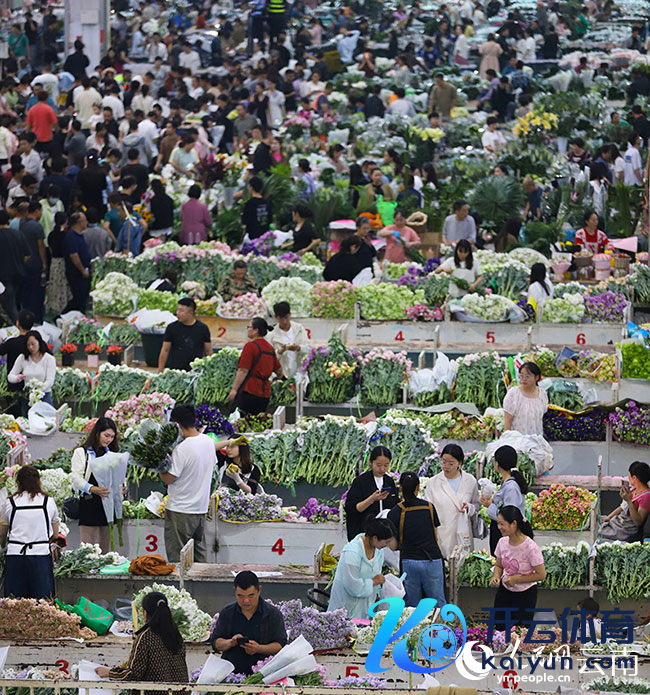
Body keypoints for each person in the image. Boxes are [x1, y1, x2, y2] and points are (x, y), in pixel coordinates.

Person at [160, 405, 217, 563]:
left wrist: (159, 465)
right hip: (200, 509)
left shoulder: (182, 449)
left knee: (179, 559)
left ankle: (181, 589)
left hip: (181, 510)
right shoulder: (208, 441)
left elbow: (168, 478)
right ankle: (202, 587)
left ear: (177, 425)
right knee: (199, 559)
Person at [96, 591, 188, 688]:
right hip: (180, 691)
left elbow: (133, 675)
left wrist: (109, 673)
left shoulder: (146, 637)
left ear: (145, 613)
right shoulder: (176, 635)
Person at [210, 570, 287, 675]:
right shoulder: (227, 613)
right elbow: (216, 642)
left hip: (264, 674)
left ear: (259, 590)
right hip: (231, 674)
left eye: (251, 595)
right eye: (240, 596)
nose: (246, 601)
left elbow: (280, 645)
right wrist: (230, 642)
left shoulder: (272, 614)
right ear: (235, 591)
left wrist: (259, 648)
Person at [0, 465, 59, 599]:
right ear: (38, 481)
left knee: (15, 603)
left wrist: (3, 546)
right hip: (40, 555)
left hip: (15, 555)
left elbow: (1, 533)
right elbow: (55, 534)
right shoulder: (48, 502)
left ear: (18, 483)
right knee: (42, 603)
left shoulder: (10, 502)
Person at [388, 471, 445, 608]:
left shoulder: (395, 512)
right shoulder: (429, 507)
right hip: (432, 560)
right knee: (437, 604)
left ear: (400, 487)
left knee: (411, 606)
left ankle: (413, 629)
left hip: (409, 561)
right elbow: (435, 535)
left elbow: (393, 545)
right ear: (418, 487)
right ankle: (440, 628)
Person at [70, 417, 124, 553]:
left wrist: (122, 488)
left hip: (108, 504)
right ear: (97, 433)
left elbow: (120, 477)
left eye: (112, 437)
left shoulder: (113, 454)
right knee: (87, 548)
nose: (109, 440)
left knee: (106, 548)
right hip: (89, 503)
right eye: (106, 435)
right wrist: (93, 489)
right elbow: (76, 477)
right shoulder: (81, 453)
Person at [328, 518, 396, 619]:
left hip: (364, 608)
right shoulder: (352, 552)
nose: (387, 545)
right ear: (375, 538)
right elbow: (352, 585)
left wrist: (376, 593)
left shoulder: (378, 551)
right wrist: (373, 582)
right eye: (386, 542)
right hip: (346, 606)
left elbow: (376, 574)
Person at [490, 506, 546, 629]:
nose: (499, 527)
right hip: (505, 592)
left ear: (514, 523)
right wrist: (496, 576)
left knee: (521, 633)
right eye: (498, 524)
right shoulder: (502, 542)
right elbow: (499, 564)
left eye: (502, 524)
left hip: (525, 595)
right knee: (499, 628)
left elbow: (541, 575)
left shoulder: (530, 547)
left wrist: (516, 579)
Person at [424, 444, 480, 559]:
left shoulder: (470, 481)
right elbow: (428, 512)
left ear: (460, 463)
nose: (446, 467)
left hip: (463, 534)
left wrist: (469, 508)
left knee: (463, 568)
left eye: (451, 463)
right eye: (443, 462)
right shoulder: (432, 483)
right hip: (442, 533)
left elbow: (476, 504)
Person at [228, 318, 282, 416]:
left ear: (256, 330)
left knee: (243, 423)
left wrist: (234, 389)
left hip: (250, 391)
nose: (248, 329)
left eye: (249, 327)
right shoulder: (270, 348)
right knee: (259, 422)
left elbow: (243, 370)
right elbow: (279, 370)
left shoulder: (250, 346)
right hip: (264, 394)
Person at [344, 446, 399, 542]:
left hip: (385, 534)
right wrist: (372, 499)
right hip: (364, 532)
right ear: (370, 462)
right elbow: (352, 508)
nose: (382, 469)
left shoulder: (389, 481)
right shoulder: (361, 481)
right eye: (378, 465)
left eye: (386, 465)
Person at [480, 445, 528, 555]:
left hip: (506, 532)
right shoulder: (507, 483)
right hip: (501, 529)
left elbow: (509, 515)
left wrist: (490, 505)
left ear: (497, 464)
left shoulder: (511, 487)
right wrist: (493, 503)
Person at [158, 297, 212, 372]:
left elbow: (208, 351)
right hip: (176, 371)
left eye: (181, 311)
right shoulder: (172, 328)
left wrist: (210, 371)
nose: (177, 313)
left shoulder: (203, 328)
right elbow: (165, 350)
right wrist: (160, 371)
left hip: (195, 371)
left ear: (190, 312)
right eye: (177, 310)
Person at [8, 330, 56, 414]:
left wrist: (39, 391)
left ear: (39, 342)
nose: (30, 347)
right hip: (27, 398)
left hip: (44, 397)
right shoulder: (23, 358)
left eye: (33, 344)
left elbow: (50, 380)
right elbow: (10, 376)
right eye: (28, 345)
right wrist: (17, 378)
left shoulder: (49, 359)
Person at [600, 462, 650, 541]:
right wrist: (608, 517)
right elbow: (622, 507)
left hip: (625, 530)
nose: (628, 477)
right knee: (595, 521)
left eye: (629, 475)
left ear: (634, 478)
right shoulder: (634, 490)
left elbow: (638, 521)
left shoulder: (646, 496)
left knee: (598, 532)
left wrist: (629, 501)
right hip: (618, 522)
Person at [19, 201, 47, 323]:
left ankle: (26, 316)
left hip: (24, 264)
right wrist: (44, 263)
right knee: (37, 293)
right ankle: (37, 318)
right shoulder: (37, 226)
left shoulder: (22, 224)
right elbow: (40, 246)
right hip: (35, 263)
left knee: (27, 292)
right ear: (37, 211)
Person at [503, 361, 547, 436]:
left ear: (536, 377)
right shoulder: (513, 394)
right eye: (521, 376)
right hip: (517, 440)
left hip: (536, 439)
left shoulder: (542, 394)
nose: (524, 379)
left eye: (527, 376)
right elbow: (507, 422)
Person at [268, 301, 310, 378]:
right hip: (281, 377)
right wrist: (280, 352)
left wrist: (298, 348)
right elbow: (269, 360)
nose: (284, 321)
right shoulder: (272, 335)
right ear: (276, 317)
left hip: (299, 374)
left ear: (290, 314)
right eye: (281, 318)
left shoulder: (299, 329)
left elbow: (308, 349)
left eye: (286, 317)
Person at [63, 212, 92, 313]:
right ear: (79, 222)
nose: (86, 223)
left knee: (82, 298)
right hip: (77, 274)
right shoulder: (71, 236)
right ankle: (64, 315)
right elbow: (74, 256)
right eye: (85, 221)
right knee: (78, 299)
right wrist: (82, 270)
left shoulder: (79, 235)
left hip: (83, 273)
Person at [242, 176, 272, 241]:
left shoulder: (249, 203)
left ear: (251, 188)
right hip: (265, 235)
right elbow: (270, 219)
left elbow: (245, 220)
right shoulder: (266, 202)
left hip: (253, 237)